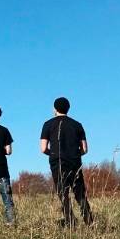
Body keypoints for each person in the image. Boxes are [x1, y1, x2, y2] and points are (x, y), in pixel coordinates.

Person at [40, 97, 93, 227]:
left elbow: (43, 148)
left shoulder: (48, 124)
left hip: (57, 161)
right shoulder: (77, 125)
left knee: (62, 191)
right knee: (79, 191)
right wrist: (75, 154)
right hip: (74, 161)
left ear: (54, 109)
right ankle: (89, 221)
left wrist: (52, 154)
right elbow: (85, 149)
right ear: (68, 108)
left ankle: (70, 221)